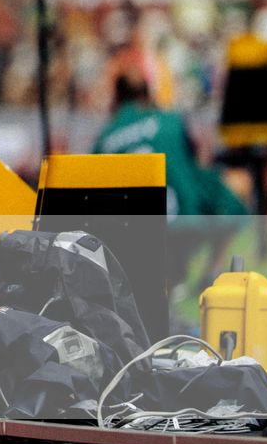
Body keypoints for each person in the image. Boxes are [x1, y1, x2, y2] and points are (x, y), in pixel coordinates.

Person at [93, 70, 245, 300]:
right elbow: (196, 161)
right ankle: (213, 270)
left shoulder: (105, 137)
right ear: (147, 95)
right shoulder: (170, 119)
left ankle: (167, 277)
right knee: (236, 184)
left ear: (117, 97)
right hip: (187, 220)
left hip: (137, 237)